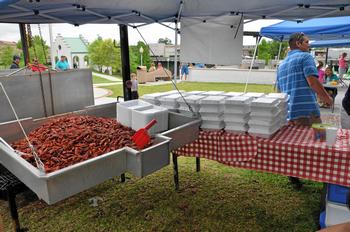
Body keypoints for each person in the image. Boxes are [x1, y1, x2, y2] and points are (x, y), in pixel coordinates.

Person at [276, 32, 333, 188]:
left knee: (294, 145)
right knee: (321, 141)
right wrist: (327, 98)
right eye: (307, 42)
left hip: (289, 111)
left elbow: (279, 92)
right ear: (299, 44)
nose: (310, 45)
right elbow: (313, 82)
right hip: (308, 110)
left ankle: (294, 176)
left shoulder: (281, 65)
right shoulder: (305, 57)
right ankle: (323, 176)